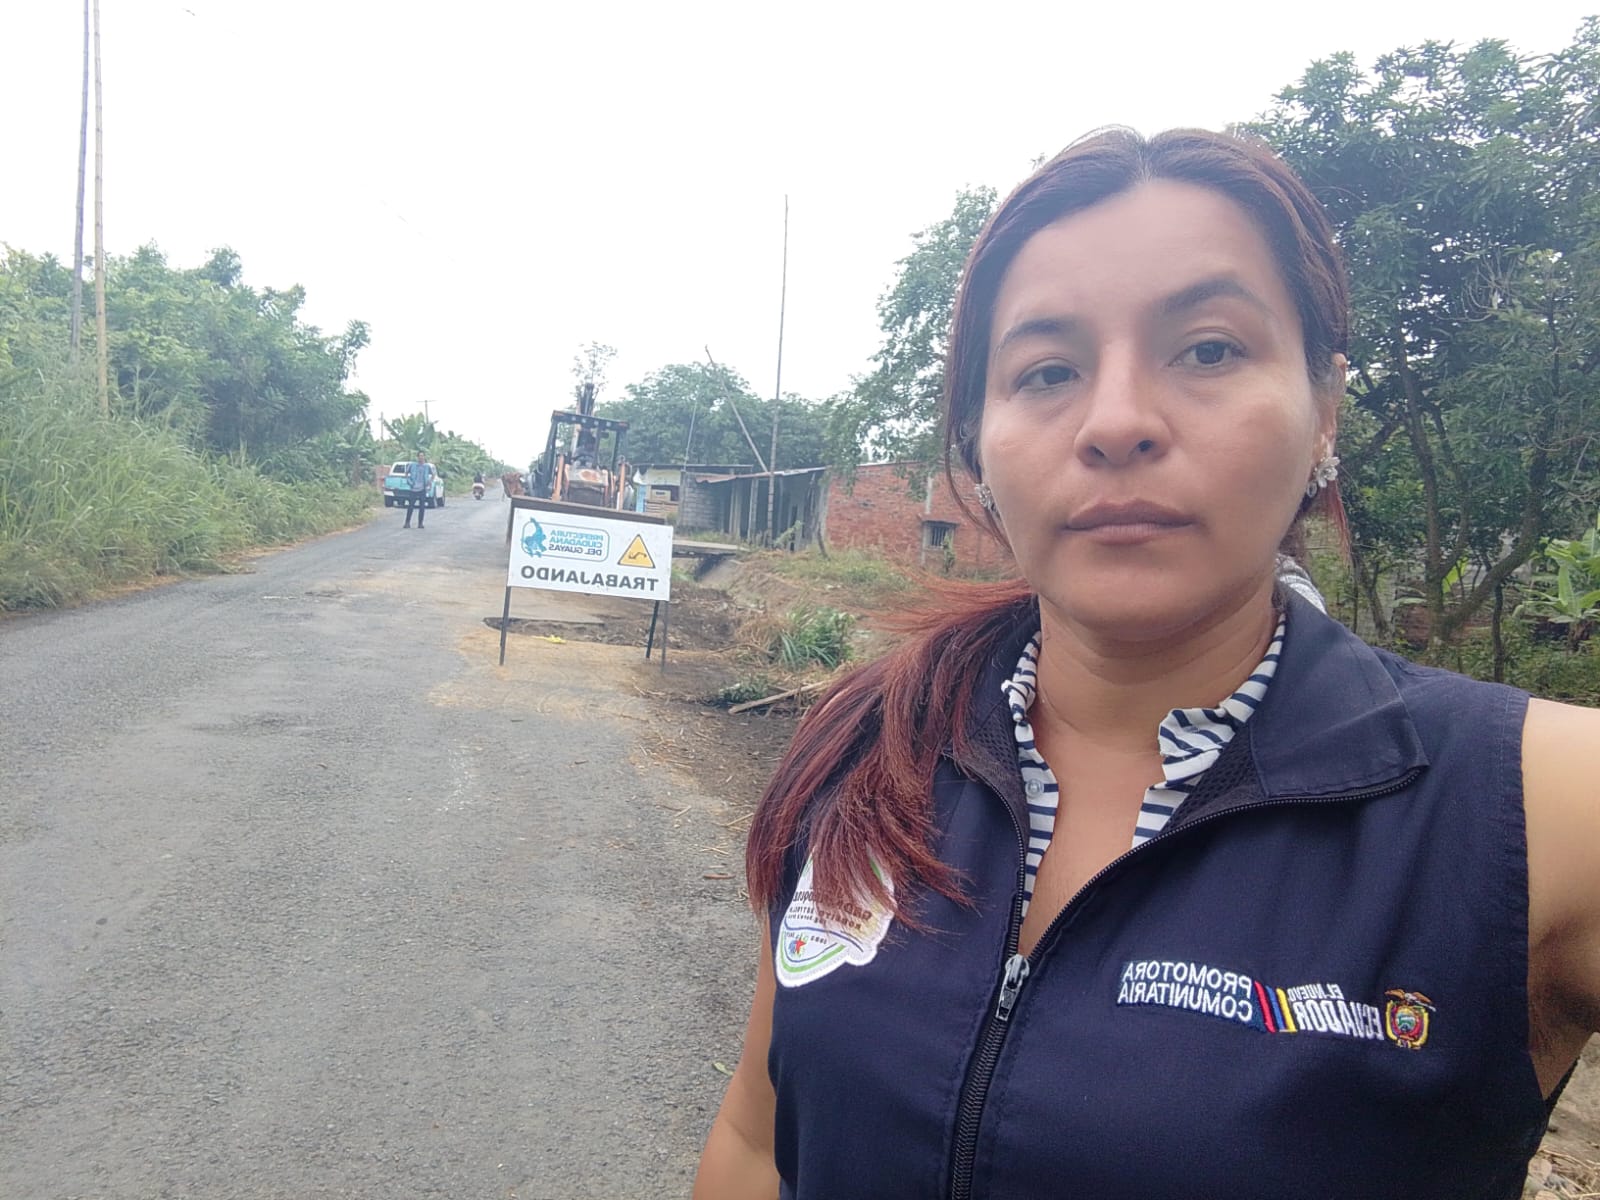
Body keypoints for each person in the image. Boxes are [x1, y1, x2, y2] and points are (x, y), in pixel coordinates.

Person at [693, 127, 1600, 1199]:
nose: (1115, 422)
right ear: (978, 446)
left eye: (1208, 350)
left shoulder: (1535, 805)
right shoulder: (873, 735)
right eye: (1047, 371)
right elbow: (758, 1138)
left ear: (1324, 410)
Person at [401, 450, 431, 529]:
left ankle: (420, 523)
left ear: (424, 457)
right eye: (420, 456)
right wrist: (409, 482)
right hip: (413, 489)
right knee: (411, 506)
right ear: (417, 457)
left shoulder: (427, 466)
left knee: (422, 507)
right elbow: (406, 473)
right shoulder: (412, 465)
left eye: (422, 456)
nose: (421, 457)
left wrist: (429, 482)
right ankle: (407, 522)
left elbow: (432, 474)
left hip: (422, 489)